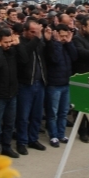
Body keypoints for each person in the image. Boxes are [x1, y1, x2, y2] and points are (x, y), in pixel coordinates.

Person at [15, 19, 54, 156]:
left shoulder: (38, 42)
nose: (35, 34)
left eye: (37, 32)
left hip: (40, 82)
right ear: (24, 31)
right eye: (32, 32)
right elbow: (24, 58)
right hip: (26, 84)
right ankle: (22, 141)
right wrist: (37, 39)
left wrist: (48, 41)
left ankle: (33, 139)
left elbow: (49, 57)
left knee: (37, 115)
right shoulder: (20, 42)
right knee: (23, 116)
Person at [0, 28, 23, 158]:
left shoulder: (12, 51)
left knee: (9, 124)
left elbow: (24, 59)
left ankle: (7, 147)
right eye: (5, 42)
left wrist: (17, 44)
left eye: (10, 42)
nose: (8, 44)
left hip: (12, 93)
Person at [45, 24, 77, 148]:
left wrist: (69, 43)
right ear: (56, 34)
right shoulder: (52, 45)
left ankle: (61, 134)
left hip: (66, 83)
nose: (64, 38)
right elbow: (55, 59)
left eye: (66, 35)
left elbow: (74, 57)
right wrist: (58, 43)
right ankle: (53, 135)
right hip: (54, 84)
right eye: (61, 36)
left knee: (64, 112)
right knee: (53, 112)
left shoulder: (67, 44)